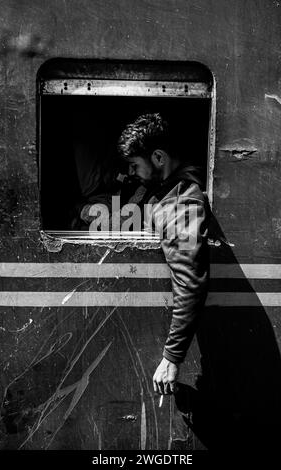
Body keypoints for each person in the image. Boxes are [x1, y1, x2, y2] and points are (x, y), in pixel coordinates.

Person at [118, 113, 211, 396]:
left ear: (159, 157)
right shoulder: (166, 190)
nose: (132, 173)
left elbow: (190, 281)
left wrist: (172, 357)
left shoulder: (181, 205)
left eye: (135, 165)